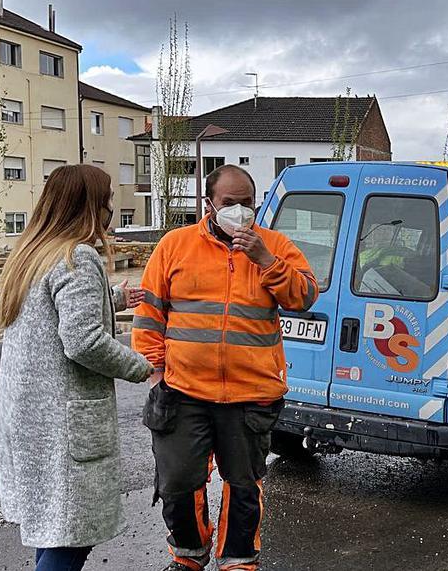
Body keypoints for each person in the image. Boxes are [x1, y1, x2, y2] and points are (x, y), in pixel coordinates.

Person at [133, 164, 318, 571]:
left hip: (251, 394)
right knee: (178, 483)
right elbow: (150, 313)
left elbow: (305, 296)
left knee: (243, 485)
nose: (239, 211)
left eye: (247, 203)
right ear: (209, 205)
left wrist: (266, 260)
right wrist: (156, 372)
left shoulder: (275, 246)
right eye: (229, 203)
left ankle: (238, 560)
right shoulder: (175, 245)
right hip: (183, 392)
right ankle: (190, 553)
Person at [0, 164, 154, 571]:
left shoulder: (32, 253)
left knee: (53, 526)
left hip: (28, 416)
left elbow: (52, 312)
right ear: (90, 206)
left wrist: (116, 297)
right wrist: (141, 365)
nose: (110, 211)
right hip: (63, 421)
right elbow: (83, 340)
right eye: (107, 202)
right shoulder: (77, 256)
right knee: (70, 537)